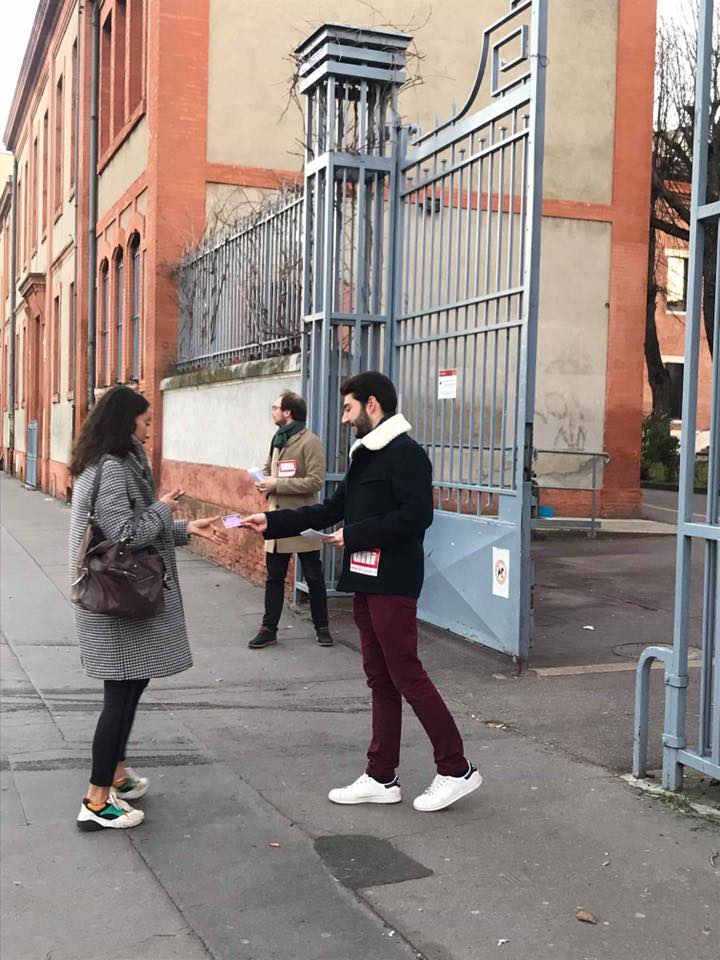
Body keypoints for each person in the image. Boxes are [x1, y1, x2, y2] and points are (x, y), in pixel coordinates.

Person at [242, 371, 482, 812]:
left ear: (373, 405)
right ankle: (381, 775)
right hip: (365, 581)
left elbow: (416, 517)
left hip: (393, 581)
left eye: (349, 408)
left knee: (406, 672)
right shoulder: (365, 456)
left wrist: (355, 535)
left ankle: (456, 768)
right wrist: (271, 521)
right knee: (380, 677)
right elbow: (333, 508)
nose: (345, 419)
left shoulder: (407, 454)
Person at [69, 385, 228, 830]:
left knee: (131, 686)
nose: (149, 427)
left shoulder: (116, 465)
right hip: (115, 603)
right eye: (145, 420)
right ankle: (96, 800)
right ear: (126, 422)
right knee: (119, 695)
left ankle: (116, 774)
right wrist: (162, 508)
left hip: (119, 597)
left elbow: (132, 534)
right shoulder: (113, 470)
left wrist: (186, 527)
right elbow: (124, 535)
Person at [249, 390, 333, 649]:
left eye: (276, 407)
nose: (272, 411)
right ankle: (268, 628)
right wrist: (263, 481)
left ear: (288, 412)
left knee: (313, 576)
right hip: (277, 520)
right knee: (274, 578)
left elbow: (316, 481)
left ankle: (322, 627)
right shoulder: (278, 439)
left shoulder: (310, 442)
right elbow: (269, 469)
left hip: (301, 520)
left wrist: (278, 483)